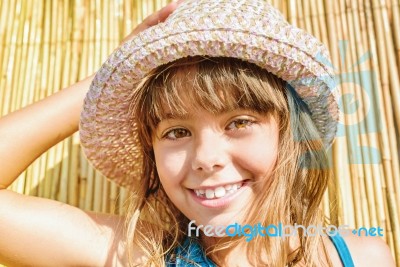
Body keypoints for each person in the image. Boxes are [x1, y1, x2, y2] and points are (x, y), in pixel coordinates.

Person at [0, 0, 396, 266]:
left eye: (239, 122)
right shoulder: (136, 255)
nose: (207, 157)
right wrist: (108, 79)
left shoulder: (360, 257)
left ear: (289, 133)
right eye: (176, 131)